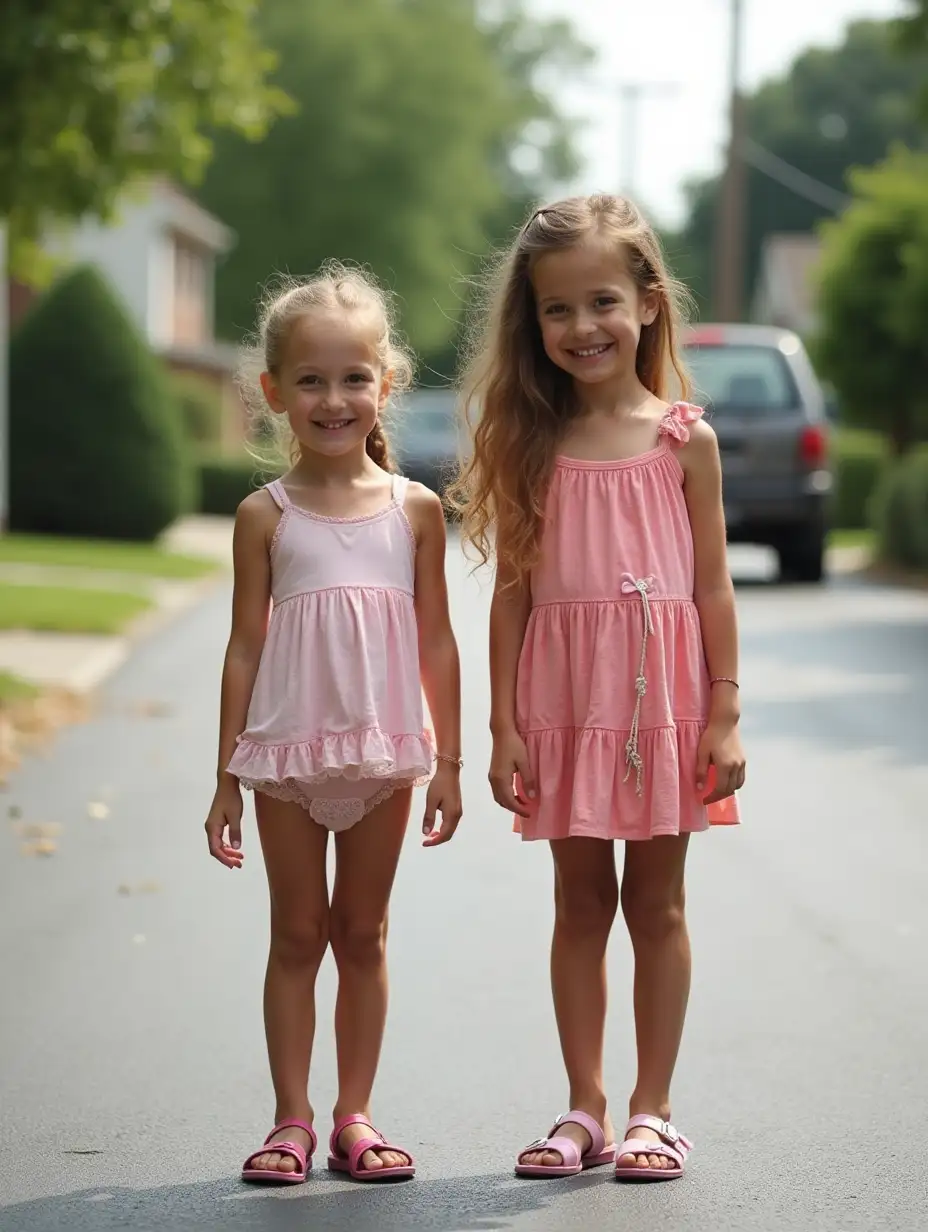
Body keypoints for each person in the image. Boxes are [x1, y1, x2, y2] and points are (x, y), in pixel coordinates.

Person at [449, 194, 744, 1182]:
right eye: (556, 310)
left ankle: (654, 1109)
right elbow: (512, 598)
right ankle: (583, 1102)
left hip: (663, 708)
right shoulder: (534, 444)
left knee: (655, 906)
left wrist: (725, 708)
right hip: (564, 707)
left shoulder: (682, 440)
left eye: (602, 301)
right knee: (579, 903)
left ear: (650, 303)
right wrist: (502, 728)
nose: (582, 327)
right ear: (531, 324)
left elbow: (709, 584)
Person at [205, 263, 462, 1185]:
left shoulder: (417, 511)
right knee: (294, 936)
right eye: (309, 380)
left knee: (364, 935)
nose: (332, 397)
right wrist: (225, 775)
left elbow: (436, 640)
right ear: (273, 392)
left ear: (384, 384)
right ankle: (291, 1119)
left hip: (387, 756)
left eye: (353, 377)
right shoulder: (262, 517)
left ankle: (355, 1112)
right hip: (284, 758)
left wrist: (452, 761)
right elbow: (243, 647)